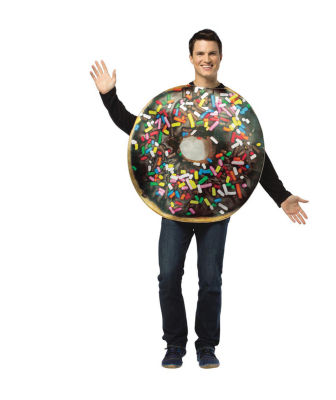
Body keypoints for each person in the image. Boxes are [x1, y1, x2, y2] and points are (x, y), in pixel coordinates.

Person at [90, 29, 309, 369]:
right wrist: (109, 97)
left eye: (212, 53)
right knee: (168, 277)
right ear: (191, 58)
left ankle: (206, 346)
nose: (206, 59)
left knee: (210, 281)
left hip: (215, 210)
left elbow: (251, 154)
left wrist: (281, 196)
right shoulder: (176, 102)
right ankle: (174, 344)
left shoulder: (231, 105)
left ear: (220, 57)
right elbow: (139, 130)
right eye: (200, 53)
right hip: (176, 207)